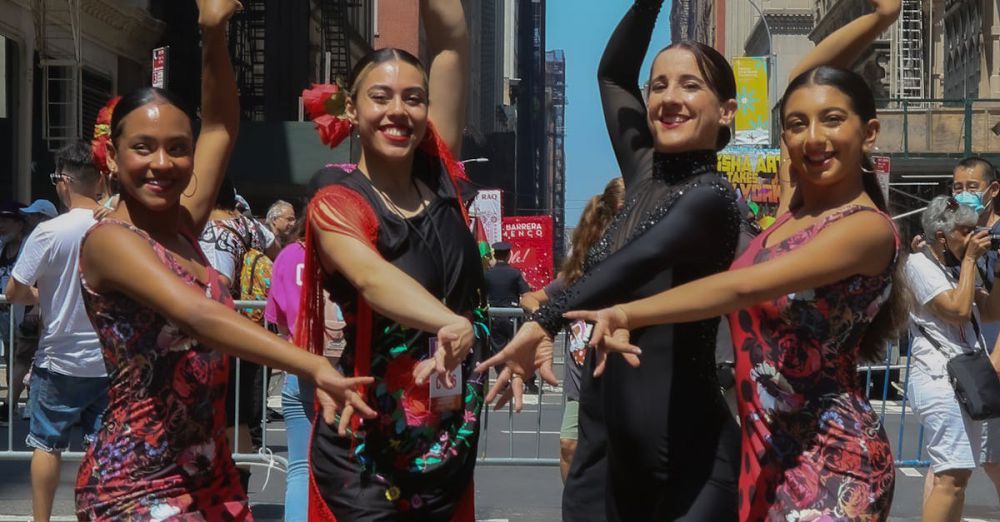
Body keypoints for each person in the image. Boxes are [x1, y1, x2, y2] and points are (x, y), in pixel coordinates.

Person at [564, 57, 908, 519]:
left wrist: (628, 313)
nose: (814, 138)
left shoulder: (865, 229)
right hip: (764, 453)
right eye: (797, 124)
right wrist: (877, 16)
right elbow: (798, 75)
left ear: (868, 133)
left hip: (833, 459)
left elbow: (740, 286)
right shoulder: (793, 217)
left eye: (833, 119)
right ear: (783, 136)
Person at [73, 1, 375, 518]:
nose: (162, 163)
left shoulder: (183, 227)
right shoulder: (109, 241)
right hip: (136, 485)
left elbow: (219, 127)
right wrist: (313, 364)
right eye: (143, 148)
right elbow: (198, 315)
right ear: (114, 158)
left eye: (177, 148)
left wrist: (212, 32)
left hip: (211, 477)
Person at [297, 1, 507, 519]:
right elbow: (371, 278)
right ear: (351, 109)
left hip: (449, 442)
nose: (399, 111)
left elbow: (453, 39)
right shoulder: (338, 200)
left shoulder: (438, 174)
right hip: (367, 455)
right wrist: (448, 323)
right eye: (381, 97)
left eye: (414, 99)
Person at [4, 140, 108, 522]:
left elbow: (14, 291)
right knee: (102, 447)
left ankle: (41, 520)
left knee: (46, 445)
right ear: (99, 181)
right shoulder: (117, 226)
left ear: (64, 181)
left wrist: (42, 293)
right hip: (109, 359)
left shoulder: (49, 233)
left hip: (58, 356)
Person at [520, 177, 625, 483]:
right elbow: (532, 297)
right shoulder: (579, 273)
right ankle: (573, 503)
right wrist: (546, 318)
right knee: (568, 446)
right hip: (581, 382)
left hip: (623, 379)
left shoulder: (637, 266)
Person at [905, 195, 1000, 522]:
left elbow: (989, 312)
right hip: (936, 378)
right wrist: (972, 260)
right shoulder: (918, 265)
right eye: (965, 231)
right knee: (950, 476)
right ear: (941, 236)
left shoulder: (957, 267)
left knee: (959, 477)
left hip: (962, 380)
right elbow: (958, 312)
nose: (974, 237)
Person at [264, 212, 346, 522]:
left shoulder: (286, 257)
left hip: (300, 367)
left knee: (299, 467)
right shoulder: (346, 255)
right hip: (344, 372)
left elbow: (278, 321)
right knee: (347, 466)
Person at [198, 176, 277, 462]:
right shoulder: (253, 225)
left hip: (223, 333)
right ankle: (241, 480)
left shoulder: (214, 232)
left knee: (220, 413)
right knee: (239, 415)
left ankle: (225, 481)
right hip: (254, 324)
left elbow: (220, 280)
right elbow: (274, 257)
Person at [484, 240, 530, 382]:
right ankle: (528, 380)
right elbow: (525, 294)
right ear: (508, 255)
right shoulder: (515, 274)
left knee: (498, 349)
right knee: (520, 348)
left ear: (495, 255)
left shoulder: (488, 275)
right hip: (513, 315)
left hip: (494, 316)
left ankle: (502, 380)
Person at [0, 200, 27, 425]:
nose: (2, 224)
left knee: (20, 356)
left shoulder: (28, 246)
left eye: (7, 220)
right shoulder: (1, 246)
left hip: (23, 311)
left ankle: (12, 403)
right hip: (3, 311)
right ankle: (9, 404)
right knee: (10, 355)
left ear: (20, 224)